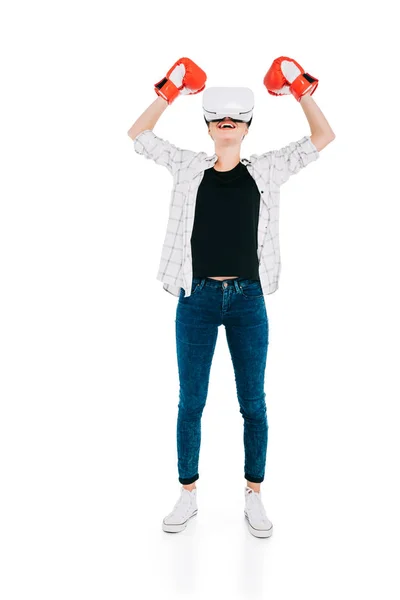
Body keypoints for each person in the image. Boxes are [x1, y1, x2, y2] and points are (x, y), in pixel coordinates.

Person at [127, 57, 335, 537]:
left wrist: (301, 88)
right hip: (194, 298)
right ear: (207, 125)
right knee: (191, 401)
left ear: (247, 126)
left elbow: (323, 136)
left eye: (236, 117)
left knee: (253, 403)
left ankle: (254, 495)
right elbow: (138, 135)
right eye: (219, 116)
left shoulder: (267, 169)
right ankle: (187, 494)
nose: (227, 122)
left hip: (248, 301)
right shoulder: (185, 166)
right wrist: (170, 90)